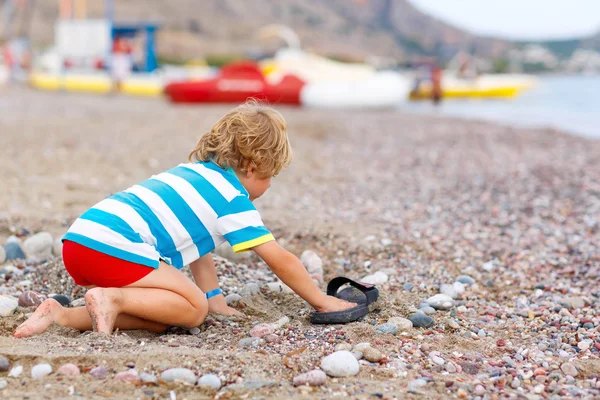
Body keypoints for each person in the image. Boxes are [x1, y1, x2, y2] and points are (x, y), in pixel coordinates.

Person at [13, 100, 355, 338]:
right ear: (253, 166)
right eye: (270, 177)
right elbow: (279, 259)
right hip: (114, 245)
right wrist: (322, 301)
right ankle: (112, 297)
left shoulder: (193, 174)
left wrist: (216, 299)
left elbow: (197, 248)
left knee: (161, 318)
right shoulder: (231, 199)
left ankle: (59, 315)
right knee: (193, 309)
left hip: (81, 241)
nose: (267, 186)